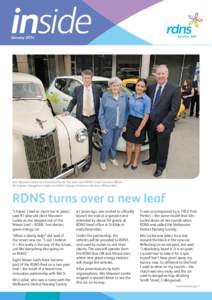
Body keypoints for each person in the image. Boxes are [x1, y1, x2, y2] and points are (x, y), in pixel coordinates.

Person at [142, 64, 181, 177]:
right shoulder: (151, 87)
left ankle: (160, 167)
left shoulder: (174, 88)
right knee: (152, 144)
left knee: (162, 148)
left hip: (164, 125)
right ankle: (152, 159)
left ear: (167, 74)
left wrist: (164, 124)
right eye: (158, 73)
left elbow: (174, 109)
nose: (160, 76)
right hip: (151, 123)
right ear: (155, 75)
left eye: (163, 73)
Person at [65, 69, 103, 172]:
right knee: (79, 139)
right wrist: (68, 111)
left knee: (88, 140)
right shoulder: (78, 89)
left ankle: (88, 162)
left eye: (88, 78)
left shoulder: (97, 88)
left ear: (91, 78)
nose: (86, 80)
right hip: (81, 118)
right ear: (82, 78)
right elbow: (73, 101)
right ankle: (78, 159)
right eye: (85, 78)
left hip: (92, 118)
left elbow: (105, 99)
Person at [98, 77, 129, 170]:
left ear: (120, 86)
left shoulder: (124, 96)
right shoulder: (105, 96)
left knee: (114, 143)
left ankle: (112, 157)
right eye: (113, 85)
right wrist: (102, 126)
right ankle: (102, 160)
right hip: (108, 126)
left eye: (117, 85)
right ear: (110, 86)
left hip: (119, 126)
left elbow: (126, 112)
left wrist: (124, 124)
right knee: (107, 143)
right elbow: (101, 112)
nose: (115, 87)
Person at [122, 78, 151, 170]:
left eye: (142, 86)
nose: (139, 87)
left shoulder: (147, 99)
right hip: (130, 121)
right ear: (136, 86)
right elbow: (127, 111)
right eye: (138, 85)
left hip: (140, 122)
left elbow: (146, 115)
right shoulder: (131, 95)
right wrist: (124, 124)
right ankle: (128, 160)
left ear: (145, 88)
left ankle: (135, 162)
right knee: (129, 143)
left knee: (138, 144)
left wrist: (139, 129)